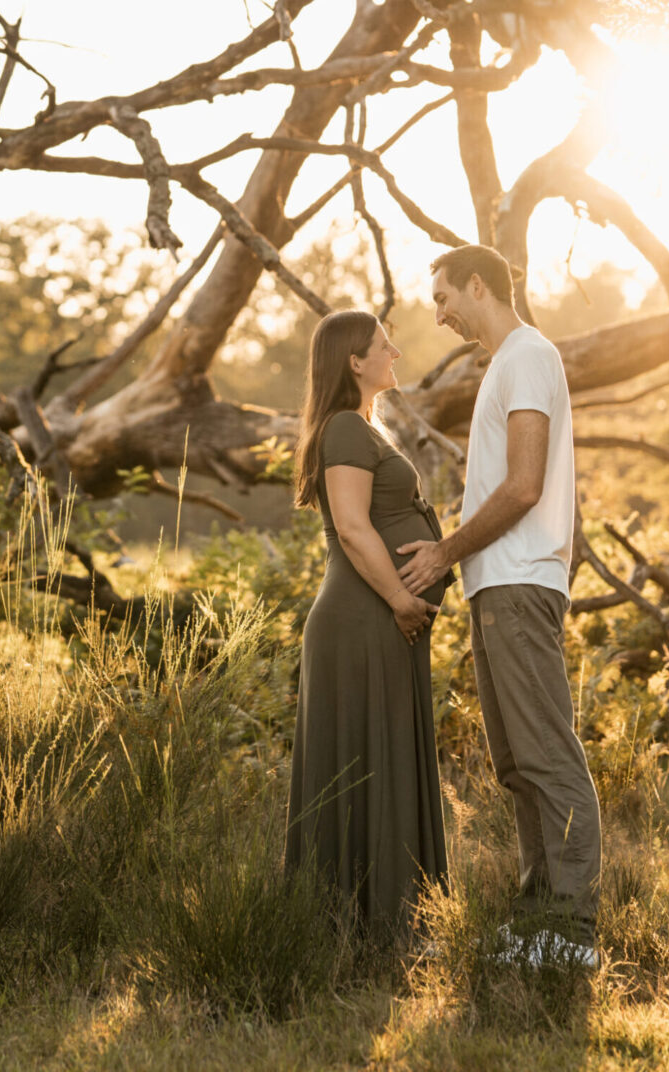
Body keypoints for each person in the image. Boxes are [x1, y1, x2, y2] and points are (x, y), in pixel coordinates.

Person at [397, 244, 602, 967]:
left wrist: (444, 552)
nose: (439, 315)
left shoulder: (528, 356)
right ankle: (537, 923)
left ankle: (572, 933)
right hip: (496, 585)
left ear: (478, 285)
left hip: (520, 582)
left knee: (546, 755)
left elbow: (523, 485)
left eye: (443, 298)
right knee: (516, 764)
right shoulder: (505, 363)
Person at [285, 309, 449, 932]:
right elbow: (353, 528)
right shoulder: (347, 429)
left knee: (386, 759)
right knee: (369, 760)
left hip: (379, 618)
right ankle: (367, 924)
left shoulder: (363, 427)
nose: (396, 354)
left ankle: (389, 920)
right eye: (385, 345)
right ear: (354, 362)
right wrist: (402, 600)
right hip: (364, 619)